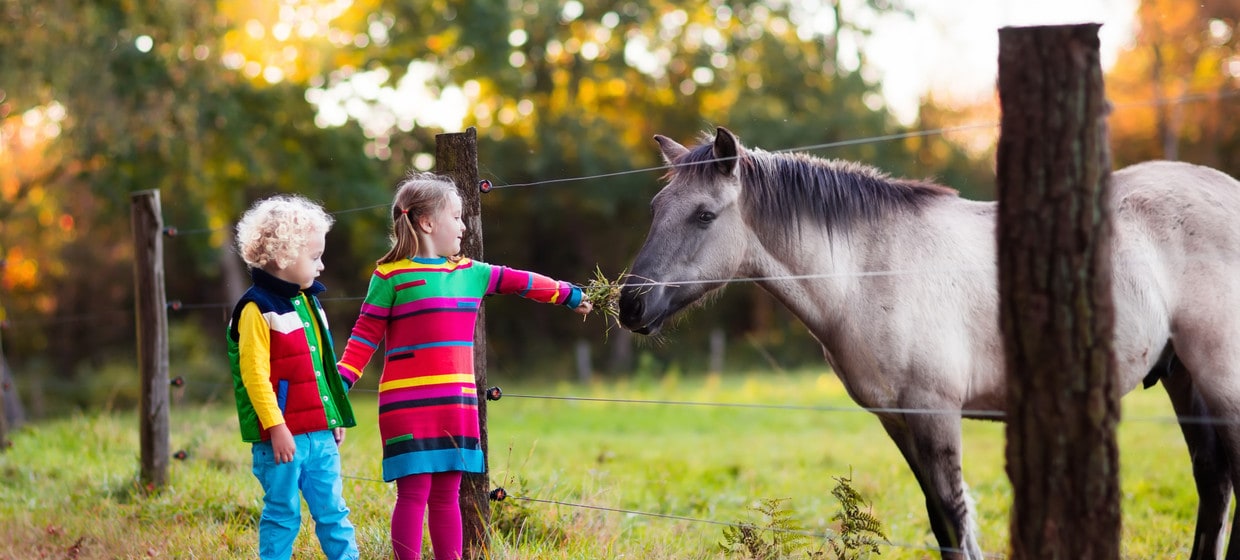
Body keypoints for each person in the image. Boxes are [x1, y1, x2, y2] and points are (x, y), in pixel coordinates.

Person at [336, 171, 592, 560]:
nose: (463, 226)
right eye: (455, 217)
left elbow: (521, 281)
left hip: (454, 405)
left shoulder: (470, 273)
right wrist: (337, 390)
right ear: (427, 222)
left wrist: (567, 295)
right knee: (413, 494)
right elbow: (363, 338)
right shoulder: (389, 277)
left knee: (447, 495)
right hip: (406, 407)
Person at [227, 194, 359, 560]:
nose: (322, 265)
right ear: (284, 256)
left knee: (333, 511)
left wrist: (332, 414)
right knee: (283, 514)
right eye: (315, 257)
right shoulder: (256, 309)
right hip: (281, 439)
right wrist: (277, 427)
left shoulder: (310, 302)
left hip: (320, 434)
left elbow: (321, 366)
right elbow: (254, 375)